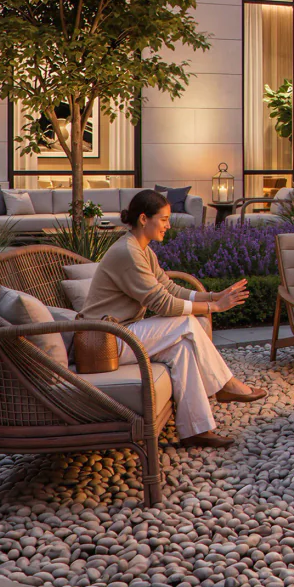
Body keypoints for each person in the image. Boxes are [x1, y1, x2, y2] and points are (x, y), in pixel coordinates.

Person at [81, 190, 266, 449]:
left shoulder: (142, 250)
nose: (169, 225)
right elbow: (163, 304)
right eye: (164, 219)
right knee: (188, 322)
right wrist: (214, 307)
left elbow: (170, 288)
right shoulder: (128, 253)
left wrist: (214, 294)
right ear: (144, 219)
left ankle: (196, 429)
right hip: (106, 341)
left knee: (182, 349)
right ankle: (225, 384)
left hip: (123, 333)